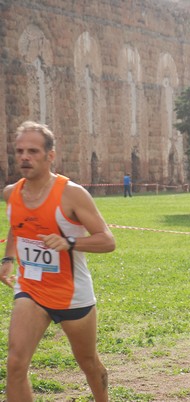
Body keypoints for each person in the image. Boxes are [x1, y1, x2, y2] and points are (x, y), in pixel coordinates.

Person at [0, 121, 116, 401]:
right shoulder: (11, 193)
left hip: (71, 295)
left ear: (50, 155)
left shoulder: (71, 194)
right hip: (31, 289)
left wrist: (70, 242)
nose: (25, 157)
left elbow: (107, 240)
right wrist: (8, 259)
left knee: (88, 363)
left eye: (33, 151)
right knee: (15, 364)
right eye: (20, 151)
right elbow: (18, 224)